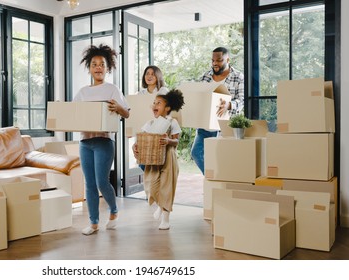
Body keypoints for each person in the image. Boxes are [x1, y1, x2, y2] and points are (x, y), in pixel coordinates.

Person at [73, 44, 130, 236]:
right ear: (89, 68)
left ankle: (113, 210)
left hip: (104, 142)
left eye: (102, 64)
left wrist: (118, 108)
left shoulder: (112, 89)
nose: (98, 67)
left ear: (108, 68)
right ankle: (94, 223)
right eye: (94, 64)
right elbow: (73, 115)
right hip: (85, 142)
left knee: (101, 182)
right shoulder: (82, 92)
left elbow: (126, 113)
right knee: (89, 183)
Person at [132, 89, 185, 230]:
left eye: (159, 103)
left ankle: (166, 217)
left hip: (168, 157)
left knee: (167, 187)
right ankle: (160, 206)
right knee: (150, 185)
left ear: (167, 108)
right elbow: (140, 139)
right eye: (154, 102)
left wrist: (168, 140)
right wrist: (135, 146)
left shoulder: (172, 122)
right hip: (152, 159)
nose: (154, 105)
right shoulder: (150, 123)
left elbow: (176, 141)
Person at [190, 46, 244, 174]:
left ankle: (219, 182)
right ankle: (211, 179)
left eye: (219, 60)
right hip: (205, 126)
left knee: (221, 159)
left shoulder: (238, 76)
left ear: (227, 59)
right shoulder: (206, 76)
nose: (215, 63)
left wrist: (229, 105)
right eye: (213, 60)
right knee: (196, 153)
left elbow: (242, 100)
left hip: (225, 126)